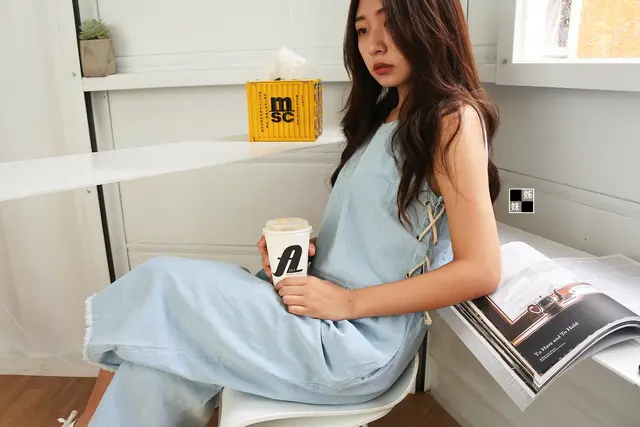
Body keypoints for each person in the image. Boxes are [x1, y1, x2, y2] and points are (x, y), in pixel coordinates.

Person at [58, 0, 502, 425]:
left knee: (162, 285)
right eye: (363, 29)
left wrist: (348, 302)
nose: (375, 45)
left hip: (355, 342)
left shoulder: (452, 120)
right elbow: (378, 238)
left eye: (391, 24)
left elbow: (481, 270)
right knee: (156, 356)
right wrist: (298, 257)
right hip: (315, 307)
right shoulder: (385, 118)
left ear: (431, 23)